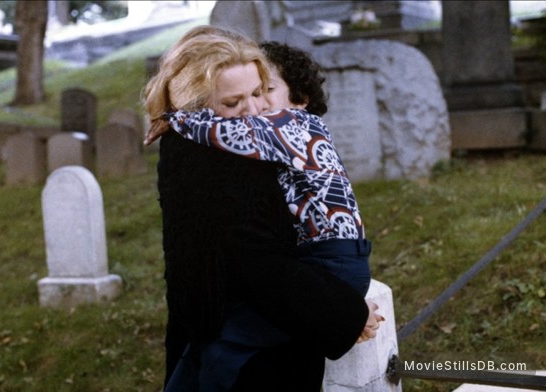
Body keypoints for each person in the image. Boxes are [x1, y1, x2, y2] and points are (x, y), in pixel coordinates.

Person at [143, 26, 380, 391]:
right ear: (194, 103)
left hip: (241, 319)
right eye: (233, 102)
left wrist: (342, 313)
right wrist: (344, 315)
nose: (254, 109)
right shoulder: (214, 156)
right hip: (254, 349)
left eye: (258, 92)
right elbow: (255, 260)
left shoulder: (235, 138)